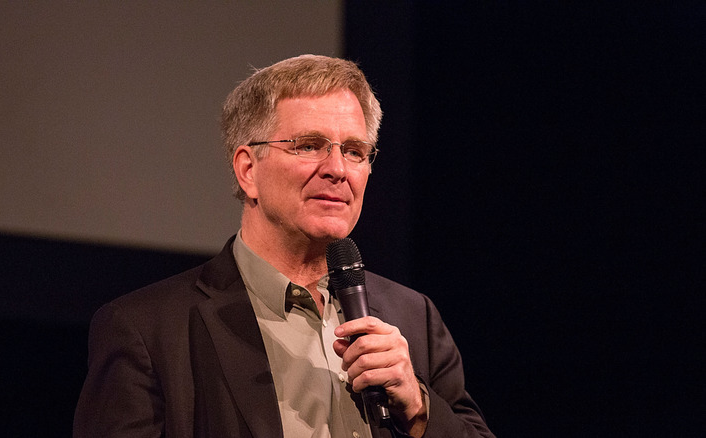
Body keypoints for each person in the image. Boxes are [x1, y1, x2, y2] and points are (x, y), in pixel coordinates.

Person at [74, 54, 494, 438]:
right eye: (309, 145)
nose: (337, 169)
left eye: (354, 151)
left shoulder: (414, 318)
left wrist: (419, 409)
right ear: (248, 170)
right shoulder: (146, 330)